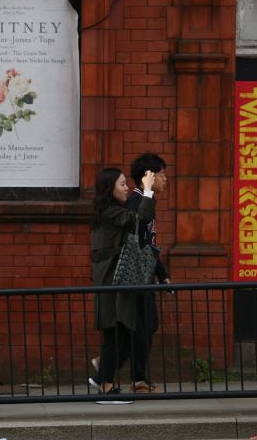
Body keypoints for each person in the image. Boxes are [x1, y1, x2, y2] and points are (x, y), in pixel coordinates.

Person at [88, 167, 156, 404]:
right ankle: (102, 383)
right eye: (121, 184)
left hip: (115, 280)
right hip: (112, 280)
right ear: (110, 188)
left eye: (127, 184)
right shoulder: (109, 211)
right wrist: (147, 190)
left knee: (123, 332)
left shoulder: (109, 210)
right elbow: (140, 219)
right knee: (120, 332)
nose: (127, 188)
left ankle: (104, 381)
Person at [124, 153, 168, 394]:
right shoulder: (137, 200)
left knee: (147, 324)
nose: (166, 179)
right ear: (149, 176)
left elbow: (149, 243)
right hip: (137, 274)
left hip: (146, 273)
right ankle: (135, 378)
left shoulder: (145, 199)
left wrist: (161, 272)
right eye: (161, 174)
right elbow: (139, 232)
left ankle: (110, 366)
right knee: (144, 325)